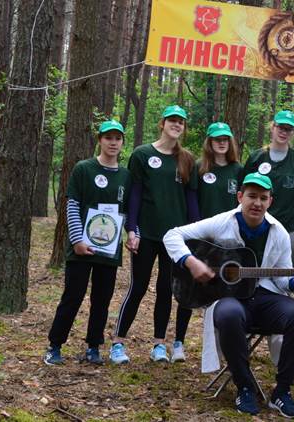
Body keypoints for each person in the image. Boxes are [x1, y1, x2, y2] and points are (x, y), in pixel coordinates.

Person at [163, 172, 294, 418]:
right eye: (252, 196)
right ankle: (244, 387)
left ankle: (282, 391)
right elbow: (172, 235)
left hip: (263, 296)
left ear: (270, 201)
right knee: (229, 314)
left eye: (263, 198)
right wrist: (191, 262)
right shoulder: (222, 222)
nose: (257, 203)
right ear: (240, 197)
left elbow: (281, 278)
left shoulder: (277, 232)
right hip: (229, 297)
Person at [111, 105, 199, 365]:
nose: (177, 125)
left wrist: (194, 233)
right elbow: (135, 195)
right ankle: (118, 343)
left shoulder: (187, 159)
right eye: (172, 120)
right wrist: (132, 228)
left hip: (175, 238)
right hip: (146, 234)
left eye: (181, 122)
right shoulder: (142, 154)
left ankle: (159, 345)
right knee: (138, 287)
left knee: (165, 289)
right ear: (162, 123)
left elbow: (191, 200)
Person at [44, 120, 131, 365]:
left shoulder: (126, 176)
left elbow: (126, 212)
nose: (113, 143)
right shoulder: (84, 168)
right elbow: (72, 205)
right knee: (72, 296)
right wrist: (77, 240)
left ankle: (94, 347)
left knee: (101, 301)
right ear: (100, 140)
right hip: (81, 248)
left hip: (109, 250)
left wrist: (129, 234)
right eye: (108, 138)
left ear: (122, 142)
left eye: (117, 138)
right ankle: (54, 346)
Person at [243, 110, 294, 265]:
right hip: (255, 226)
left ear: (293, 132)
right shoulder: (256, 158)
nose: (283, 132)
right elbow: (244, 195)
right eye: (280, 127)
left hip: (288, 228)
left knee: (284, 273)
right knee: (252, 269)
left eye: (288, 129)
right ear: (272, 127)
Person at [197, 122, 243, 218]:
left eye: (225, 139)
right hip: (205, 223)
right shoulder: (199, 166)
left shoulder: (238, 169)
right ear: (209, 142)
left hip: (230, 223)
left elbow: (242, 202)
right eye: (217, 139)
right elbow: (192, 198)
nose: (222, 143)